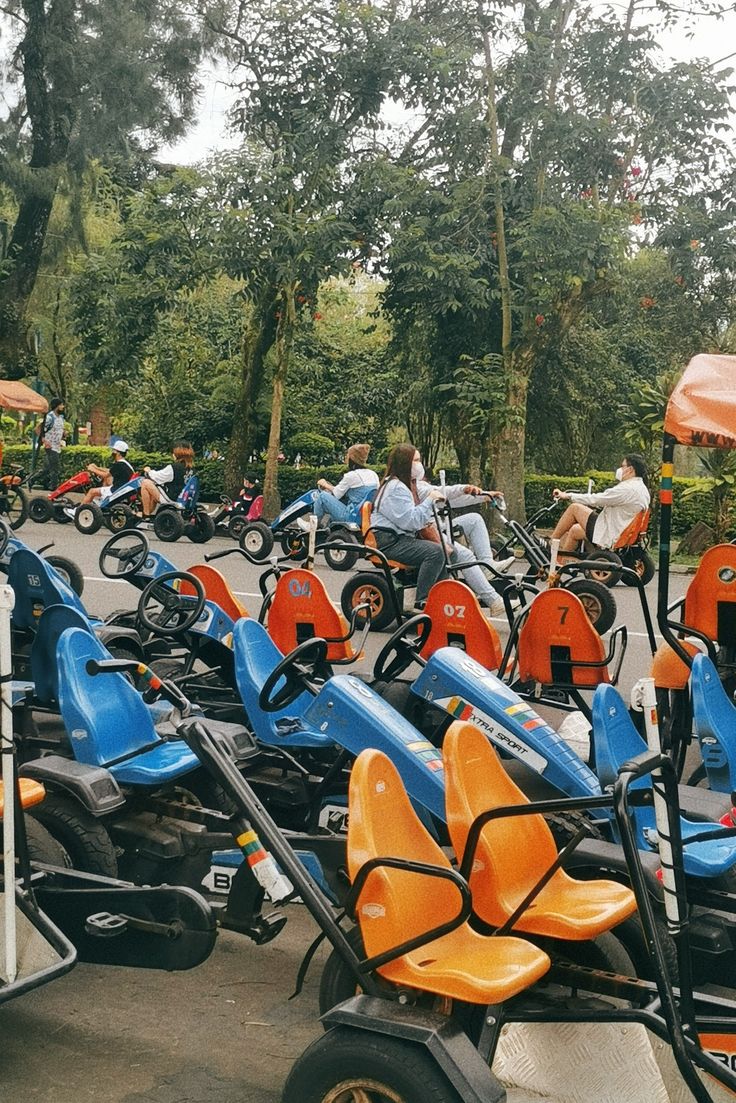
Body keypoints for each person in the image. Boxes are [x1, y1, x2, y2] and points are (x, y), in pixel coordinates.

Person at [371, 443, 509, 615]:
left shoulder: (411, 484)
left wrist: (478, 494)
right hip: (391, 541)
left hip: (406, 537)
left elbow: (444, 493)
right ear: (404, 463)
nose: (419, 465)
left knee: (445, 549)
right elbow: (411, 522)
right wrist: (430, 500)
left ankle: (445, 600)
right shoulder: (396, 488)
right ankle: (422, 601)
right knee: (436, 552)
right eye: (416, 460)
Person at [549, 453, 651, 554]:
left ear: (630, 469)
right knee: (575, 530)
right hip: (621, 532)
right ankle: (561, 562)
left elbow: (596, 499)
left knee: (574, 508)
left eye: (622, 466)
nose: (620, 469)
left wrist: (567, 495)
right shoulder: (642, 488)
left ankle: (551, 544)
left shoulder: (627, 489)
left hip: (610, 534)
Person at [305, 443, 380, 528]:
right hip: (367, 517)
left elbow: (337, 494)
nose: (346, 456)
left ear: (352, 458)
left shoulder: (352, 475)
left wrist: (324, 484)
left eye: (347, 454)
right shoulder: (373, 474)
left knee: (322, 496)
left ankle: (312, 526)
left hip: (352, 517)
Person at [66, 440, 135, 516]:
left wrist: (93, 469)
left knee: (92, 491)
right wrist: (96, 467)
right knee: (105, 483)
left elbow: (105, 475)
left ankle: (77, 511)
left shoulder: (119, 464)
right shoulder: (125, 464)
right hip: (122, 489)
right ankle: (99, 502)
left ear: (118, 452)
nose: (112, 452)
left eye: (114, 450)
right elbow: (109, 471)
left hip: (116, 490)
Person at [139, 441, 194, 522]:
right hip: (184, 498)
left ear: (178, 454)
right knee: (155, 492)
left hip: (172, 497)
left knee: (146, 483)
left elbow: (157, 477)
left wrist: (149, 471)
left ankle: (146, 514)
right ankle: (147, 512)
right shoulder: (191, 469)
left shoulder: (173, 467)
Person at [41, 397, 66, 490]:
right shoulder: (49, 417)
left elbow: (60, 430)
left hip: (57, 446)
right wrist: (45, 441)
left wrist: (63, 434)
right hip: (50, 446)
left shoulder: (61, 418)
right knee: (55, 468)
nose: (63, 407)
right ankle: (54, 487)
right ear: (57, 406)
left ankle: (32, 480)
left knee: (47, 468)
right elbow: (40, 430)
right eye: (61, 405)